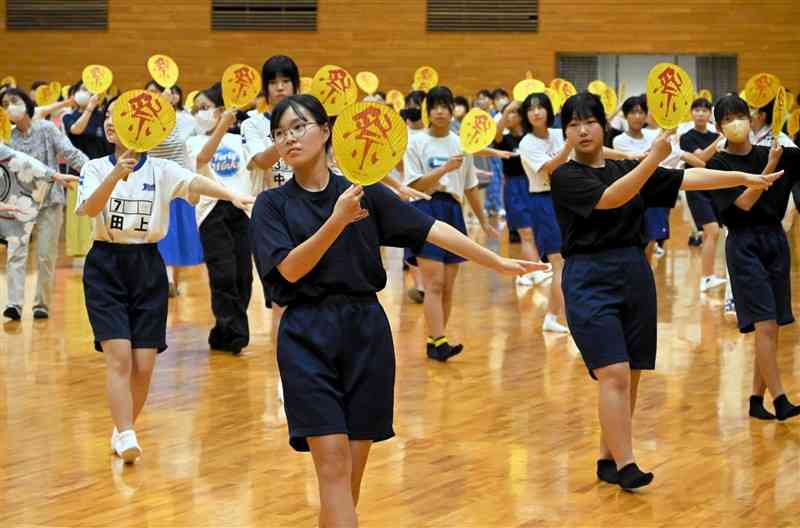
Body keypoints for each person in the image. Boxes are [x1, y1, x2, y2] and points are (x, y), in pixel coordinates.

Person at [250, 94, 543, 528]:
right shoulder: (271, 206)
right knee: (330, 466)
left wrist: (495, 260)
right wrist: (336, 221)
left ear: (326, 131)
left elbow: (431, 227)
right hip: (306, 334)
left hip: (366, 332)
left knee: (348, 478)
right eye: (280, 133)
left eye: (299, 127)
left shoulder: (366, 194)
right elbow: (289, 270)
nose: (288, 138)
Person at [550, 92, 779, 490]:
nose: (581, 130)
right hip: (589, 276)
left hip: (635, 272)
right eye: (572, 124)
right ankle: (627, 464)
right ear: (566, 132)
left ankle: (609, 457)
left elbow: (687, 178)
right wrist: (653, 158)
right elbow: (611, 198)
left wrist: (743, 177)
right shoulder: (566, 176)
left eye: (588, 121)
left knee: (632, 373)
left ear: (603, 126)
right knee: (614, 372)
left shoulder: (628, 169)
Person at [76, 97, 255, 464]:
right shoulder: (93, 168)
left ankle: (122, 426)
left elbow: (196, 181)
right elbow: (90, 209)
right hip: (106, 265)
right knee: (120, 357)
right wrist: (115, 174)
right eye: (108, 117)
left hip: (147, 264)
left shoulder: (161, 169)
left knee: (144, 363)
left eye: (118, 117)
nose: (110, 123)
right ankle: (127, 433)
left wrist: (233, 194)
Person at [707, 94, 800, 422]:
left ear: (752, 118)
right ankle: (781, 399)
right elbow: (742, 204)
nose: (736, 121)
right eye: (728, 117)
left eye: (741, 114)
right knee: (765, 324)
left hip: (775, 240)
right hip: (744, 244)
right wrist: (770, 167)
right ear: (719, 127)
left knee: (772, 327)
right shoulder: (717, 165)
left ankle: (755, 400)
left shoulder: (774, 150)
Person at [404, 86, 501, 360]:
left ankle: (435, 341)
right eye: (434, 106)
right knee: (433, 283)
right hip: (425, 208)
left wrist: (483, 222)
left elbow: (470, 187)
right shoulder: (416, 142)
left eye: (444, 105)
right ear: (428, 110)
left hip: (453, 211)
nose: (439, 111)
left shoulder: (461, 143)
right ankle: (439, 340)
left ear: (452, 110)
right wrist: (444, 169)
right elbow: (414, 185)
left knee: (447, 285)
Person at [1, 87, 88, 320]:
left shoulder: (47, 129)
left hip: (50, 201)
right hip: (19, 203)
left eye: (14, 100)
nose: (10, 106)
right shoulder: (7, 137)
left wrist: (94, 171)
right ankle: (14, 304)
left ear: (27, 103)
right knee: (16, 253)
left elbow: (70, 153)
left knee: (45, 255)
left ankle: (41, 303)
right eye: (5, 103)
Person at [188, 83, 262, 354]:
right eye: (196, 108)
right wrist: (222, 125)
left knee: (244, 276)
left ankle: (222, 331)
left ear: (220, 109)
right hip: (211, 212)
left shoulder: (242, 138)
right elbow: (203, 157)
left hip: (241, 209)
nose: (199, 112)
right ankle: (236, 334)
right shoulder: (194, 140)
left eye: (205, 107)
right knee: (223, 274)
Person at [146, 80, 205, 296]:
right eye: (151, 92)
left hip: (180, 183)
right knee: (160, 234)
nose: (156, 95)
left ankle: (173, 281)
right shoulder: (145, 122)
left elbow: (186, 146)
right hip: (153, 185)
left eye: (160, 92)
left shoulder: (186, 120)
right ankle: (165, 280)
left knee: (176, 235)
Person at [493, 99, 551, 287]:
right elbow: (497, 132)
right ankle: (536, 269)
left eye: (513, 112)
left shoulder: (530, 138)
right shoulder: (505, 139)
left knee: (536, 230)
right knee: (525, 233)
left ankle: (527, 271)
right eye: (507, 113)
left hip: (533, 185)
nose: (510, 116)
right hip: (514, 188)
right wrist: (507, 109)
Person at [680, 98, 728, 293]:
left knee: (714, 233)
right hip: (696, 188)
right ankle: (706, 278)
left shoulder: (714, 134)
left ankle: (710, 275)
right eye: (696, 110)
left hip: (715, 188)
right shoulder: (687, 137)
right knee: (712, 231)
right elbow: (701, 159)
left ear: (710, 114)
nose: (700, 113)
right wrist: (719, 139)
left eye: (704, 110)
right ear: (691, 113)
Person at [63, 81, 113, 258]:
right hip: (78, 175)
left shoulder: (104, 117)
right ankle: (81, 255)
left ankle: (100, 251)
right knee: (80, 218)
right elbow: (76, 130)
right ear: (74, 94)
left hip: (105, 175)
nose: (87, 93)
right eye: (82, 89)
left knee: (103, 218)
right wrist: (89, 108)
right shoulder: (69, 117)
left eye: (90, 89)